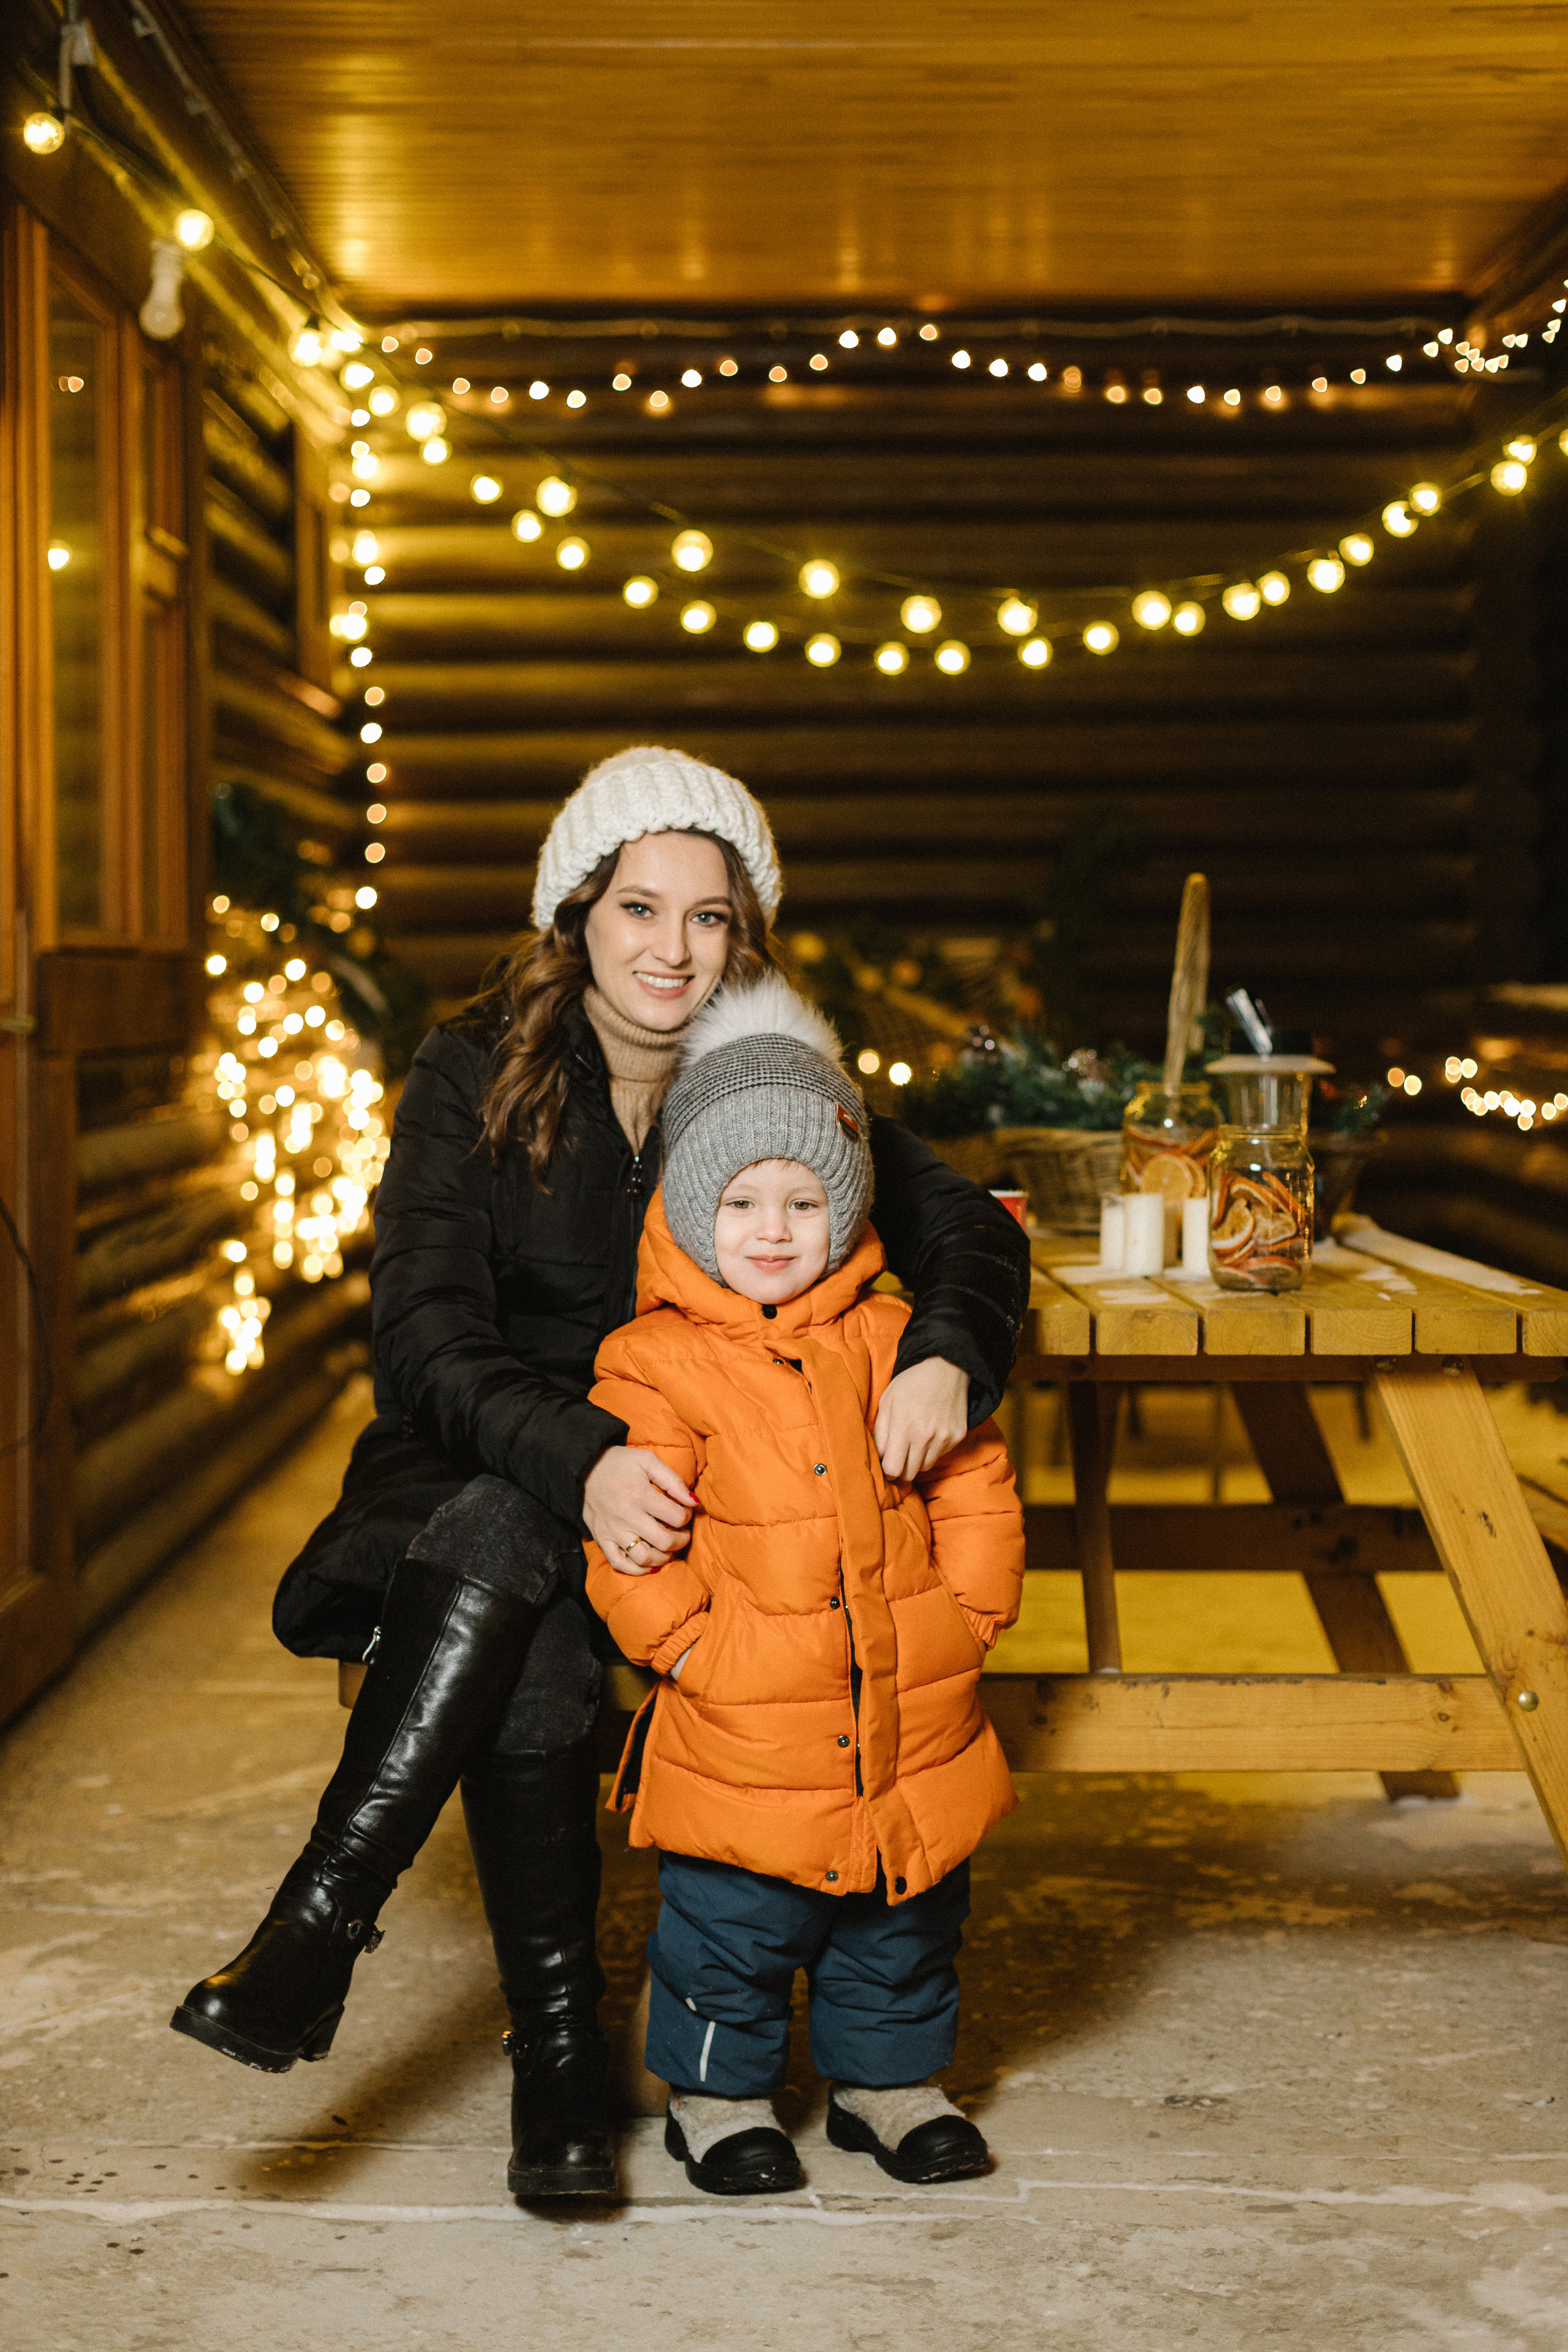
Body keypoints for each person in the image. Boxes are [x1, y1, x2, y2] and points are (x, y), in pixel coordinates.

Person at [170, 746, 1031, 2201]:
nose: (671, 949)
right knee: (518, 1547)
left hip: (695, 1467)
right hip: (480, 1459)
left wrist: (945, 1353)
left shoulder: (765, 1073)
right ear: (576, 913)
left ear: (741, 937)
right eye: (640, 908)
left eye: (708, 919)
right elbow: (424, 1336)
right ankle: (509, 2024)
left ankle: (410, 1986)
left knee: (549, 1602)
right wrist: (582, 1458)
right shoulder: (470, 1066)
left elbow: (970, 1228)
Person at [586, 975, 1025, 2196]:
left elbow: (971, 1483)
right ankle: (717, 2099)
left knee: (903, 1913)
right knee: (729, 1925)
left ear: (845, 1210)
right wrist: (687, 1651)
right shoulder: (654, 1363)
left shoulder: (893, 1337)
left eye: (802, 1200)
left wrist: (969, 1613)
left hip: (908, 1704)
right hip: (741, 1725)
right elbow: (628, 1540)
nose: (772, 1229)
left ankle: (886, 2086)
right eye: (738, 1202)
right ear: (690, 1209)